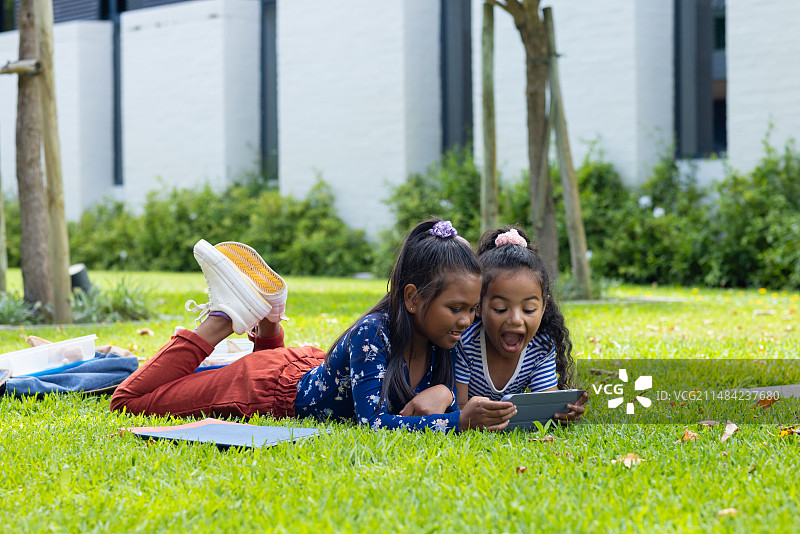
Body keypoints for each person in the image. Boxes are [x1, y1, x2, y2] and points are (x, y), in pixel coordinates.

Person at [110, 220, 518, 432]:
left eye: (473, 311)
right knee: (129, 400)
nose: (467, 321)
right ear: (412, 298)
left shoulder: (446, 339)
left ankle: (269, 317)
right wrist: (457, 421)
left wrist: (448, 392)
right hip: (264, 390)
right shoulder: (374, 333)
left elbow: (490, 388)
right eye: (457, 308)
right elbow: (374, 425)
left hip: (301, 367)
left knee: (174, 385)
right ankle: (226, 318)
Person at [453, 226, 588, 423]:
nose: (516, 319)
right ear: (479, 306)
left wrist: (562, 412)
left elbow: (545, 404)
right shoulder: (466, 342)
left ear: (543, 308)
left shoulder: (541, 347)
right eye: (500, 308)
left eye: (529, 309)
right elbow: (458, 407)